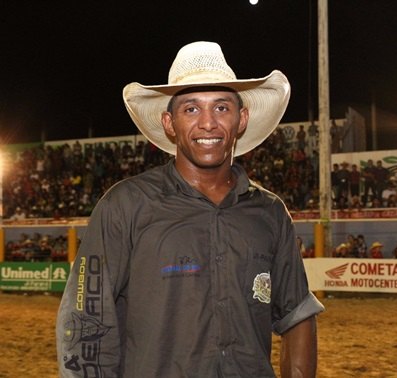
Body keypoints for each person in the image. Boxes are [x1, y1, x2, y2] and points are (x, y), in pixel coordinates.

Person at [56, 41, 324, 378]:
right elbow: (86, 319)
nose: (208, 123)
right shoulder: (125, 206)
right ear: (169, 123)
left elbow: (297, 312)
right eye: (192, 109)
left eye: (222, 107)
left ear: (241, 119)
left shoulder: (270, 213)